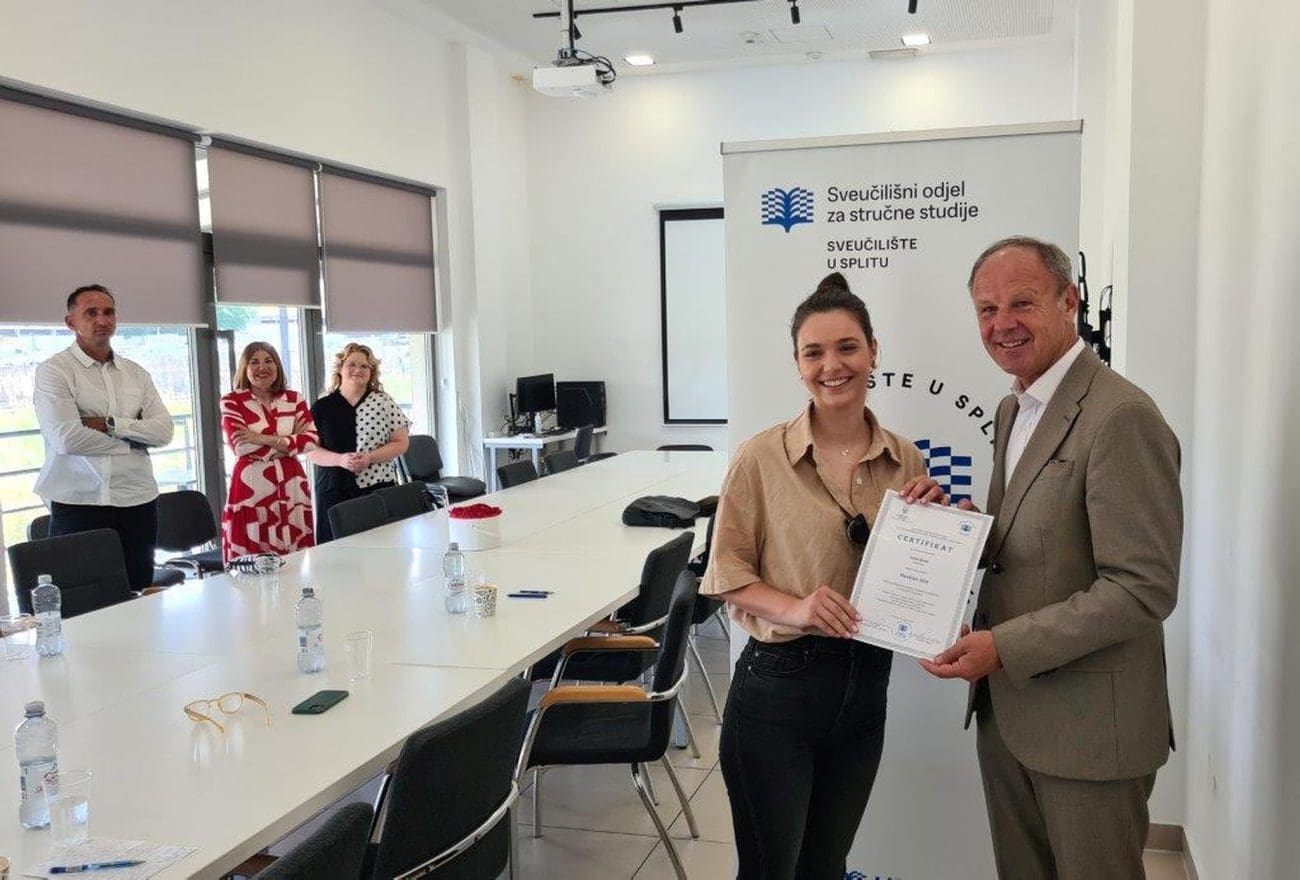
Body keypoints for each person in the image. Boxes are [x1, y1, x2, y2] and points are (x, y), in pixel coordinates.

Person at [920, 237, 1182, 879]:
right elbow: (1028, 539)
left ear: (1070, 301)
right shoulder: (1015, 407)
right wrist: (955, 530)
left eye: (1022, 303)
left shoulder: (1121, 416)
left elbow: (1141, 588)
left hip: (1089, 731)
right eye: (987, 309)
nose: (1002, 324)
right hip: (1008, 715)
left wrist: (1002, 647)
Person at [700, 272, 944, 880]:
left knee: (826, 866)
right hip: (778, 690)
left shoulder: (905, 459)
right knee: (769, 871)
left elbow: (915, 576)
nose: (832, 366)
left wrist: (940, 531)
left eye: (847, 348)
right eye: (814, 353)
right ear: (798, 365)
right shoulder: (760, 458)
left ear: (874, 352)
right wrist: (798, 608)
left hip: (866, 689)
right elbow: (725, 573)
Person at [33, 284, 174, 591]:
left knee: (139, 594)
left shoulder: (136, 374)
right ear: (71, 322)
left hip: (138, 500)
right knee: (81, 600)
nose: (102, 319)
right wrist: (134, 440)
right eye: (91, 313)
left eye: (109, 312)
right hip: (79, 502)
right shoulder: (54, 371)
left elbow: (164, 431)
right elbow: (67, 439)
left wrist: (109, 424)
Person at [219, 342, 318, 563]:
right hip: (252, 487)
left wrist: (261, 438)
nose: (262, 367)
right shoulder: (232, 401)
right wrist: (289, 443)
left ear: (277, 366)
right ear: (245, 368)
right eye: (254, 362)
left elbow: (311, 442)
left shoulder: (294, 399)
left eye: (268, 361)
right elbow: (241, 446)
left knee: (295, 559)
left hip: (292, 484)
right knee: (253, 560)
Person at [308, 343, 410, 542]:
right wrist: (340, 460)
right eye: (352, 364)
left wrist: (370, 457)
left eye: (364, 366)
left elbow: (401, 443)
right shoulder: (322, 407)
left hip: (377, 489)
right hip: (333, 490)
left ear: (372, 372)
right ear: (340, 368)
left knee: (379, 547)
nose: (358, 369)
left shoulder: (384, 402)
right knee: (334, 552)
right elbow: (310, 450)